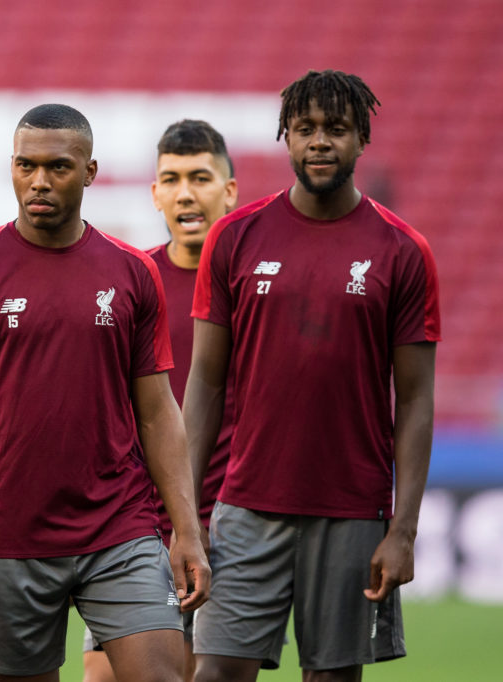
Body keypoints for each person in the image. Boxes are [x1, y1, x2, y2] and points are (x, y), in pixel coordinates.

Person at [0, 103, 210, 682]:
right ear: (12, 167)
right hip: (9, 534)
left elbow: (158, 414)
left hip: (120, 528)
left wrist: (187, 532)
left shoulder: (130, 273)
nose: (40, 181)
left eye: (59, 167)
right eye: (26, 166)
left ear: (91, 171)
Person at [183, 70, 441, 682]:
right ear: (287, 138)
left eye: (336, 129)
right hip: (245, 507)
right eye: (305, 130)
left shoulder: (403, 251)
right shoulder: (234, 238)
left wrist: (402, 530)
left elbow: (416, 400)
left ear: (362, 138)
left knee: (332, 677)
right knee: (214, 672)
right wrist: (186, 516)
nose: (320, 142)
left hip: (352, 513)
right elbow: (205, 384)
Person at [82, 120, 238, 682]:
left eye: (201, 177)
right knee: (102, 676)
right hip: (133, 528)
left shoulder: (255, 284)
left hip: (230, 522)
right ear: (154, 194)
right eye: (170, 179)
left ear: (230, 190)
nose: (185, 193)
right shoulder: (131, 281)